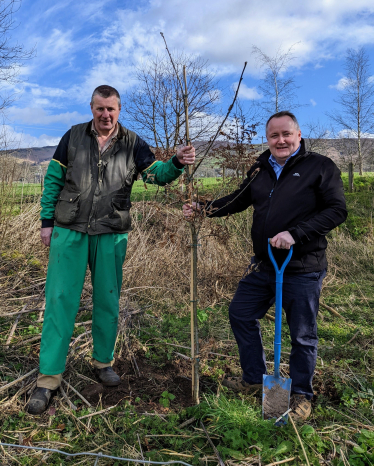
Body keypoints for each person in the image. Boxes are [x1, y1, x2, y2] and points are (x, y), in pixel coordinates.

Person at [28, 85, 195, 415]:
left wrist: (175, 162)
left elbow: (157, 175)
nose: (105, 115)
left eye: (111, 109)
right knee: (60, 300)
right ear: (92, 108)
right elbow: (53, 181)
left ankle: (102, 362)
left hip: (111, 233)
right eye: (100, 108)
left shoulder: (132, 143)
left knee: (108, 299)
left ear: (119, 110)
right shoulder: (73, 137)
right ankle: (48, 378)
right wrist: (47, 221)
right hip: (68, 230)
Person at [183, 111, 347, 420]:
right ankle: (255, 378)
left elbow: (337, 210)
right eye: (274, 136)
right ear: (268, 139)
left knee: (302, 335)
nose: (281, 140)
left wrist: (296, 234)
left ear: (298, 136)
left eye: (287, 134)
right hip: (265, 265)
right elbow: (238, 200)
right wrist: (203, 209)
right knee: (241, 314)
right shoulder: (260, 169)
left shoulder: (320, 167)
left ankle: (301, 394)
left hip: (302, 266)